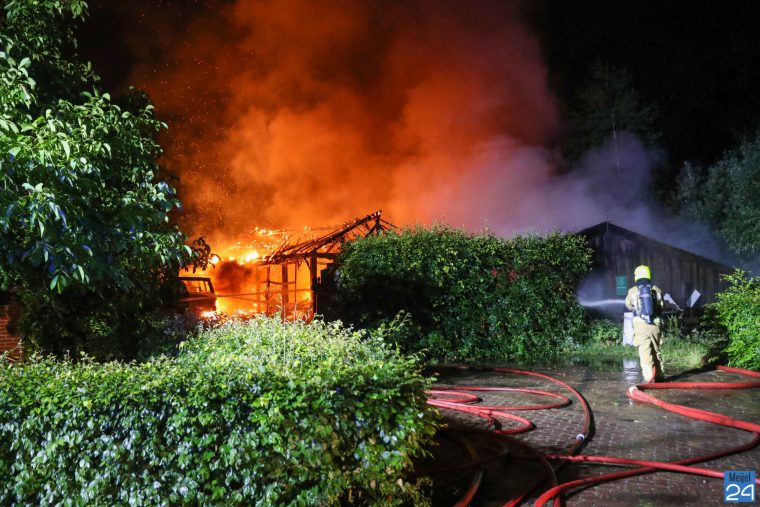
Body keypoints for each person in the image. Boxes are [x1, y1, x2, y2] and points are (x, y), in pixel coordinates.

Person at [625, 265, 665, 382]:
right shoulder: (657, 290)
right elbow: (662, 306)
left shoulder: (632, 291)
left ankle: (649, 379)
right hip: (656, 324)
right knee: (656, 349)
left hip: (640, 324)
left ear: (636, 276)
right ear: (649, 275)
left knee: (645, 350)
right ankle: (659, 376)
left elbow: (628, 305)